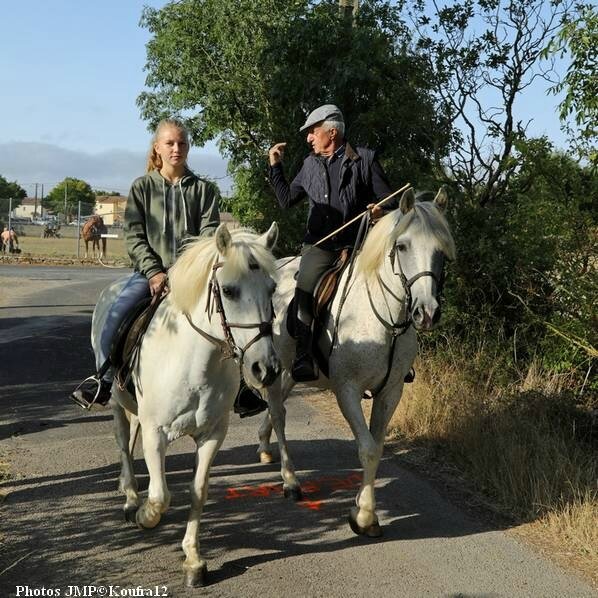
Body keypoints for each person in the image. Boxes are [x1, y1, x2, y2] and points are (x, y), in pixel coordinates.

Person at [71, 118, 267, 417]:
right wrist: (154, 272)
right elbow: (134, 235)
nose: (177, 148)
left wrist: (186, 273)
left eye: (182, 143)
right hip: (149, 274)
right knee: (117, 313)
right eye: (170, 143)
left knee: (228, 320)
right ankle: (103, 379)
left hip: (193, 279)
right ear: (157, 148)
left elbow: (209, 236)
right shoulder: (142, 187)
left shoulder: (204, 190)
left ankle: (239, 387)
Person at [269, 104, 395, 382]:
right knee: (304, 291)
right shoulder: (308, 165)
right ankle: (304, 355)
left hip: (360, 246)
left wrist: (380, 211)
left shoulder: (366, 159)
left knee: (394, 286)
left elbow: (392, 203)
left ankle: (397, 359)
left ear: (332, 132)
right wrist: (275, 166)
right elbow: (287, 200)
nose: (308, 138)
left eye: (313, 132)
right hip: (319, 247)